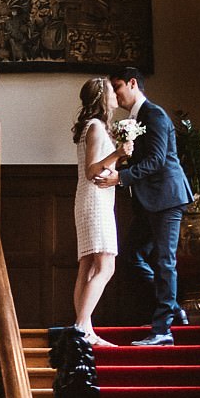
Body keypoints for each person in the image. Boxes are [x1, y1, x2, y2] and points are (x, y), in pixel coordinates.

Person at [95, 67, 194, 346]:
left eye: (117, 87)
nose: (115, 93)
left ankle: (162, 330)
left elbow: (157, 161)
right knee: (132, 256)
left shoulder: (155, 115)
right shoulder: (134, 119)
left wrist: (120, 178)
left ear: (133, 83)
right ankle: (172, 308)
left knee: (164, 261)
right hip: (148, 200)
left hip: (167, 197)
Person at [70, 77, 133, 346]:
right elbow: (91, 170)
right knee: (106, 266)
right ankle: (81, 327)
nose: (115, 95)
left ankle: (86, 329)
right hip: (94, 201)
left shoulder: (93, 126)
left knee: (87, 267)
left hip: (93, 199)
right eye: (110, 91)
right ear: (101, 97)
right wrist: (118, 153)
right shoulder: (95, 127)